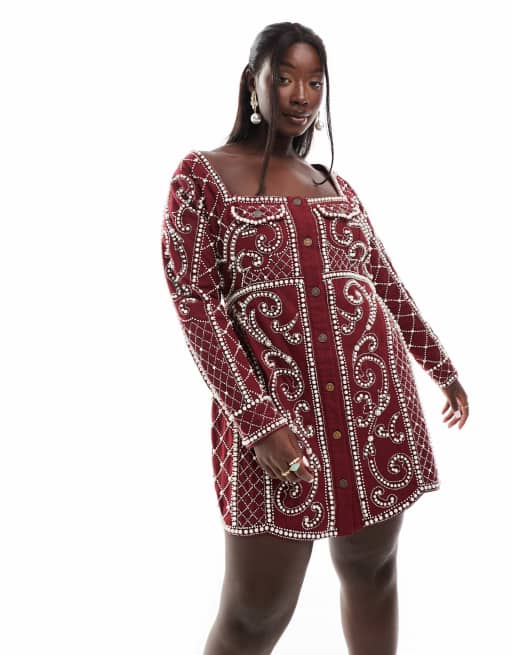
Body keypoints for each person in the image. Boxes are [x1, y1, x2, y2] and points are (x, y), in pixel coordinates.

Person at [160, 21, 469, 655]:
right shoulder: (202, 178)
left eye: (315, 81)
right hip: (278, 419)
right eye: (285, 78)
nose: (301, 95)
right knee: (255, 613)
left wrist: (441, 368)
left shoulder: (334, 185)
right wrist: (257, 421)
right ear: (252, 84)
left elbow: (384, 282)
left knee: (372, 571)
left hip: (374, 410)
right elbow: (196, 304)